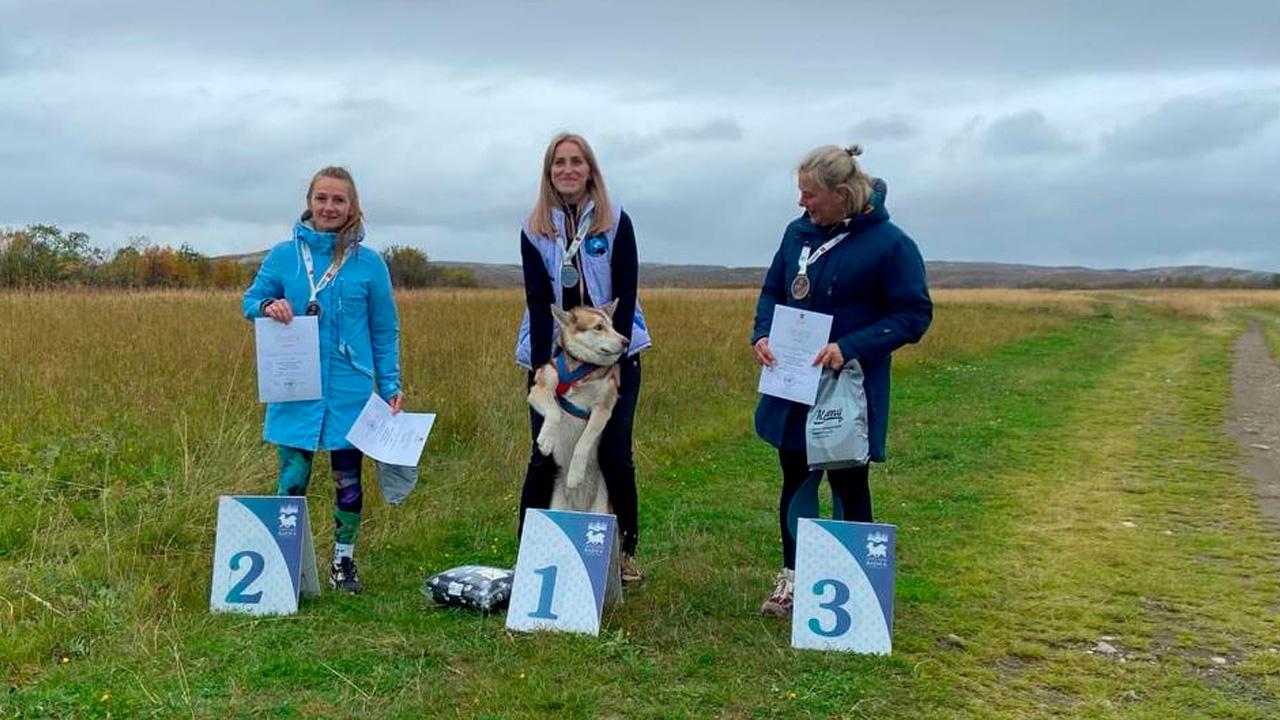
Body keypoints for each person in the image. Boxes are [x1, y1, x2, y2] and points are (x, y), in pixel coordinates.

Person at [751, 145, 931, 617]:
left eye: (810, 195)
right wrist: (763, 334)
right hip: (793, 382)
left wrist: (850, 346)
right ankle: (793, 579)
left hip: (848, 387)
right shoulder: (797, 235)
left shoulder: (892, 244)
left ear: (844, 194)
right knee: (795, 475)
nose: (801, 204)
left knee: (849, 481)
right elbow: (772, 289)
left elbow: (913, 315)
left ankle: (855, 587)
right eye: (800, 193)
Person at [242, 166, 403, 594]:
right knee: (292, 477)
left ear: (353, 207)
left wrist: (390, 385)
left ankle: (342, 562)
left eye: (339, 200)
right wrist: (268, 306)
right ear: (309, 202)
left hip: (350, 391)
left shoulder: (369, 264)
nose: (330, 207)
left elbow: (384, 330)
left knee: (347, 479)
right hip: (295, 386)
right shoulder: (283, 256)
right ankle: (282, 561)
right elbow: (249, 301)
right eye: (322, 198)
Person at [514, 132, 652, 582]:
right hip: (557, 354)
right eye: (559, 163)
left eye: (576, 162)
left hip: (612, 351)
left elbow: (627, 292)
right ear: (549, 172)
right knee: (544, 452)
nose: (568, 170)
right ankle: (527, 549)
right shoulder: (534, 227)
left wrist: (619, 351)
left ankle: (624, 550)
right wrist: (539, 362)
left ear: (590, 170)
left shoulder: (615, 223)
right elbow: (538, 301)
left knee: (613, 455)